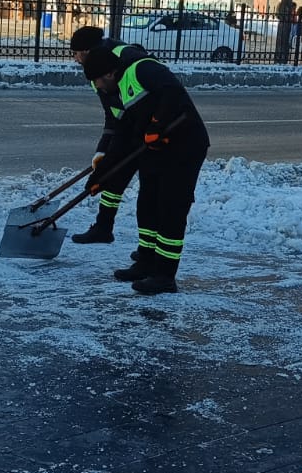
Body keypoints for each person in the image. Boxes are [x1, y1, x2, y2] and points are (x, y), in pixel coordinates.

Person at [81, 46, 210, 295]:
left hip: (185, 146)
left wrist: (157, 124)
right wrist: (101, 177)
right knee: (147, 204)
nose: (97, 87)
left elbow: (172, 91)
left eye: (97, 80)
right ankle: (146, 263)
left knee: (170, 209)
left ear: (108, 74)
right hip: (156, 150)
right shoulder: (120, 91)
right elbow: (122, 137)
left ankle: (164, 275)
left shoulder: (143, 69)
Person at [68, 25, 148, 245]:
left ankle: (148, 251)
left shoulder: (117, 61)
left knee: (149, 194)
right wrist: (102, 150)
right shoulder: (97, 71)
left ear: (84, 51)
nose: (75, 59)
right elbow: (112, 116)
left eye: (75, 53)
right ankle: (103, 228)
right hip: (127, 127)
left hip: (148, 130)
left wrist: (114, 151)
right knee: (112, 176)